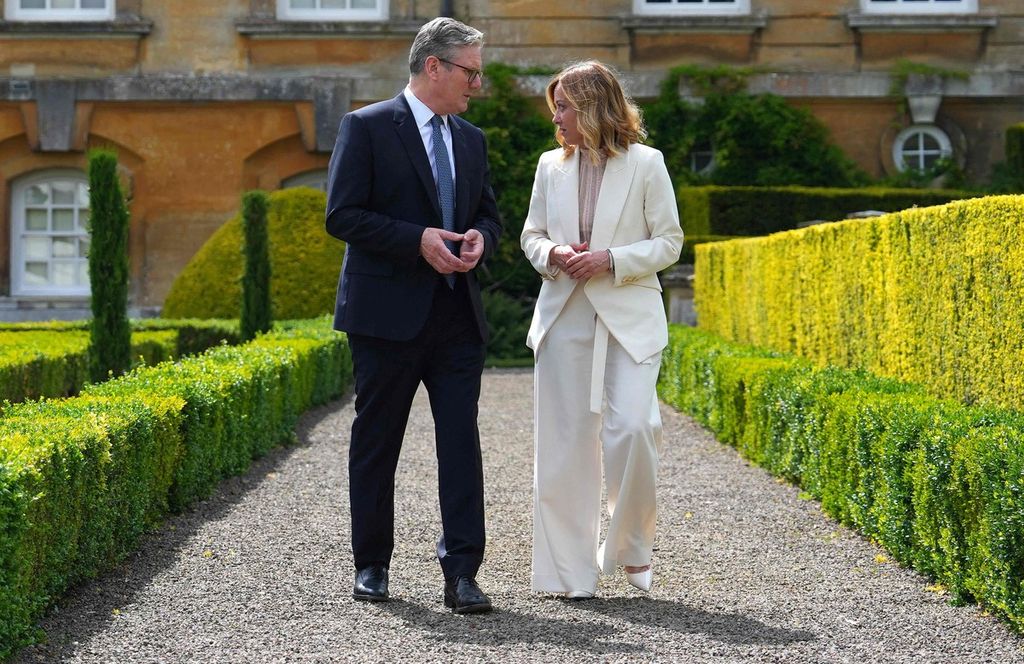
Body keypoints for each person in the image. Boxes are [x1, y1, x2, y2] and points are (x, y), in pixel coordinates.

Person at [325, 17, 502, 614]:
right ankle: (372, 565)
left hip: (457, 318)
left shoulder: (472, 140)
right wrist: (416, 239)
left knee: (460, 444)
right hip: (385, 317)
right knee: (377, 442)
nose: (476, 84)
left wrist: (479, 237)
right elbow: (341, 216)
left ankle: (462, 573)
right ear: (434, 67)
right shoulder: (367, 126)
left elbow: (490, 216)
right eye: (470, 72)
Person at [520, 61, 684, 599]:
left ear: (593, 106)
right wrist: (554, 253)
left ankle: (631, 546)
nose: (557, 119)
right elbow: (531, 235)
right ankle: (570, 574)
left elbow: (668, 243)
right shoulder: (550, 165)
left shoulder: (647, 163)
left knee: (634, 428)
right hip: (564, 313)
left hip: (630, 317)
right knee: (564, 446)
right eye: (555, 109)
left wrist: (612, 259)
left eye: (564, 107)